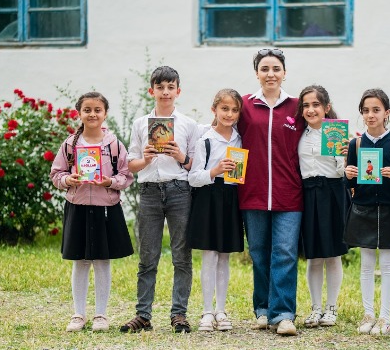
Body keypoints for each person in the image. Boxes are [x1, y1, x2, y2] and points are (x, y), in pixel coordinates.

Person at [120, 66, 198, 334]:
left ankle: (179, 314)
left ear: (178, 91)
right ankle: (143, 315)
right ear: (151, 90)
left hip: (179, 190)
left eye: (170, 87)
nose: (165, 92)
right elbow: (131, 165)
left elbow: (194, 165)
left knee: (181, 256)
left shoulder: (188, 124)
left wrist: (179, 156)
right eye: (160, 87)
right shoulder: (140, 124)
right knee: (147, 257)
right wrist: (146, 158)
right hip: (150, 191)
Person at [50, 92, 134, 332]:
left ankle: (101, 315)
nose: (92, 114)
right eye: (87, 110)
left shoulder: (114, 145)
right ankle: (78, 314)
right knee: (80, 260)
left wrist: (110, 182)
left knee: (102, 260)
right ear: (79, 113)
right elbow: (56, 174)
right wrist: (68, 180)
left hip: (105, 207)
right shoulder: (70, 144)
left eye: (98, 110)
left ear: (105, 114)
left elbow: (126, 175)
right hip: (77, 206)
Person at [237, 48, 305, 336]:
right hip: (252, 192)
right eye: (264, 69)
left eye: (276, 68)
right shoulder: (244, 105)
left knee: (285, 253)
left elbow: (319, 130)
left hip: (289, 193)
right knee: (259, 252)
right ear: (257, 73)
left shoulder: (297, 106)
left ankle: (284, 314)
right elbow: (221, 128)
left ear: (284, 73)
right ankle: (263, 309)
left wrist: (346, 145)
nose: (270, 74)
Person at [344, 88, 390, 336]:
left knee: (386, 265)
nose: (370, 115)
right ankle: (368, 314)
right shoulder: (356, 143)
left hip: (389, 211)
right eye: (366, 111)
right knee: (366, 265)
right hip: (363, 210)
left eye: (376, 110)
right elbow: (350, 184)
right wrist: (347, 175)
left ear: (387, 113)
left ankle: (385, 317)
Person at [187, 89, 245, 332]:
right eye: (224, 109)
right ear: (214, 110)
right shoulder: (206, 140)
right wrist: (215, 171)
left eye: (234, 110)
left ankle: (221, 310)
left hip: (231, 198)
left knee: (224, 257)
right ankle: (207, 311)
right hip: (209, 198)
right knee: (209, 256)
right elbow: (193, 178)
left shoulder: (240, 139)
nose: (229, 114)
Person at [297, 85, 348, 328]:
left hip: (333, 192)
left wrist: (345, 155)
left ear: (326, 107)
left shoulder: (336, 133)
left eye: (316, 105)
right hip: (307, 194)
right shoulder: (298, 134)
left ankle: (331, 307)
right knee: (313, 255)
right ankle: (316, 307)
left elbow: (342, 171)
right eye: (306, 105)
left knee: (332, 253)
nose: (311, 110)